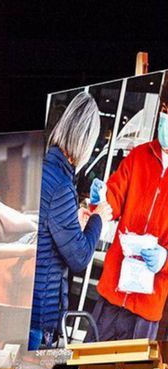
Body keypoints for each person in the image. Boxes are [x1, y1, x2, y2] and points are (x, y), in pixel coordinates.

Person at [30, 91, 112, 349]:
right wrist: (97, 219)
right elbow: (78, 257)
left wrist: (76, 219)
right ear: (86, 142)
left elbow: (48, 229)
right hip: (40, 314)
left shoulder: (44, 169)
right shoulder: (62, 186)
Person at [87, 79, 168, 341]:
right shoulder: (139, 156)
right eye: (165, 109)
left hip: (147, 304)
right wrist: (101, 196)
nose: (166, 116)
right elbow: (113, 198)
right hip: (112, 291)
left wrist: (165, 258)